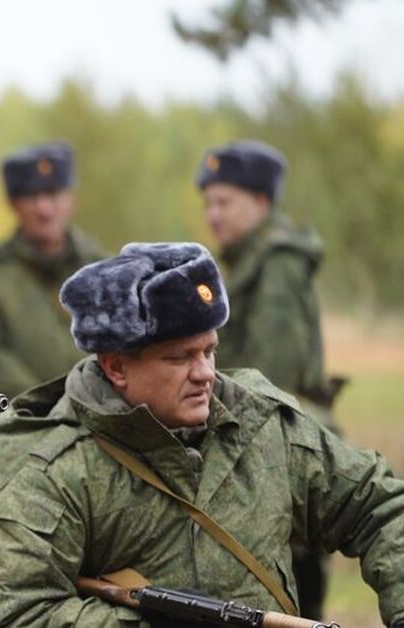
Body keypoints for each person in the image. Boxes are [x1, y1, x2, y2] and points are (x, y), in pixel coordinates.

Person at [0, 242, 404, 627]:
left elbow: (380, 506)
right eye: (180, 357)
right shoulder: (56, 468)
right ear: (116, 367)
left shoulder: (260, 423)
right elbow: (9, 609)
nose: (205, 374)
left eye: (209, 350)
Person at [196, 140, 342, 618]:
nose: (213, 214)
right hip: (266, 438)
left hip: (276, 442)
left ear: (260, 202)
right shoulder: (251, 261)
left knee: (289, 593)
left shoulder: (276, 265)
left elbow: (270, 376)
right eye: (208, 203)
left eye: (224, 202)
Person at [0, 142, 107, 399]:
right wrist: (52, 405)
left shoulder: (104, 271)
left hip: (99, 423)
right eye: (32, 197)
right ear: (13, 204)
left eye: (53, 194)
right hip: (18, 428)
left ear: (72, 199)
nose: (44, 209)